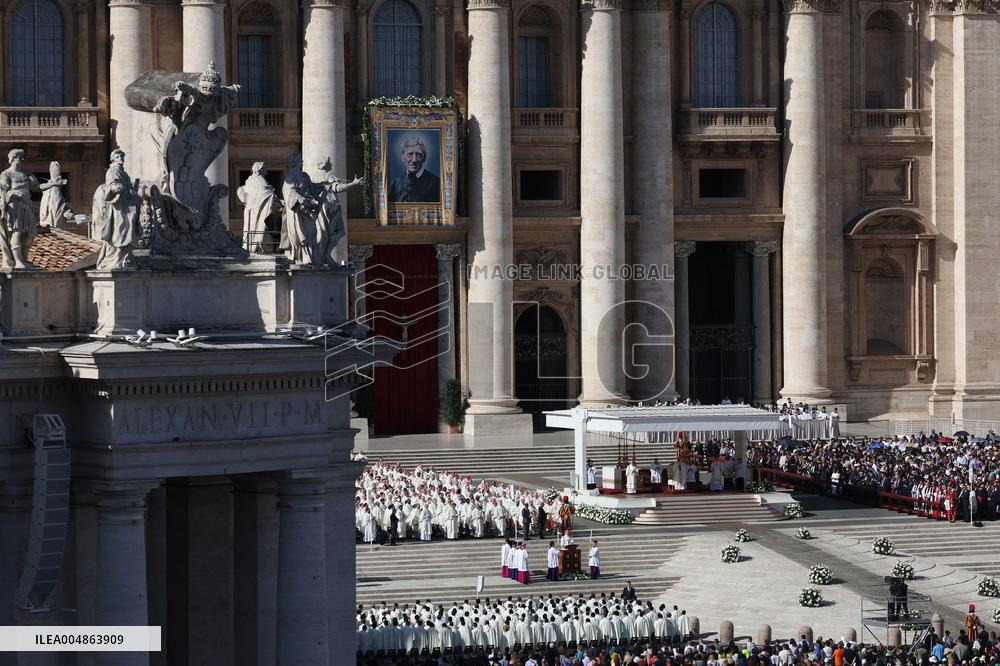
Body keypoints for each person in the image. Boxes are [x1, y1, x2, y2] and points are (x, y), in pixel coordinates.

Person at [92, 148, 141, 270]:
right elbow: (110, 185)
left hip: (126, 206)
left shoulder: (124, 173)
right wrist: (114, 188)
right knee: (118, 231)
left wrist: (133, 191)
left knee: (127, 229)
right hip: (117, 207)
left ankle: (124, 256)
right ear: (113, 159)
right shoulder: (111, 171)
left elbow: (128, 189)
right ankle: (112, 258)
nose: (121, 159)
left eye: (122, 157)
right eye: (118, 157)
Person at [0, 148, 40, 269]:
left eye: (20, 157)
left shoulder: (27, 174)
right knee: (17, 232)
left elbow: (37, 188)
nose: (19, 160)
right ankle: (18, 261)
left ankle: (24, 259)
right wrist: (2, 210)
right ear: (12, 159)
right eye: (17, 157)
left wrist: (53, 183)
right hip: (14, 205)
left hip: (26, 205)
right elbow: (3, 192)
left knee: (32, 232)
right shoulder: (6, 174)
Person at [237, 161, 280, 253]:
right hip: (259, 211)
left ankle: (250, 247)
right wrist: (280, 201)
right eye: (265, 170)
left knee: (250, 230)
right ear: (261, 170)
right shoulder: (261, 181)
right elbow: (267, 194)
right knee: (258, 229)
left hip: (250, 210)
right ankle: (256, 247)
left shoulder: (249, 181)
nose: (267, 172)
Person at [388, 136, 440, 203]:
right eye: (410, 154)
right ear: (403, 157)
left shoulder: (436, 183)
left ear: (424, 158)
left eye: (418, 155)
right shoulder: (395, 185)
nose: (414, 160)